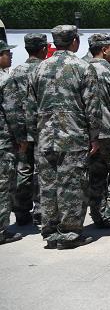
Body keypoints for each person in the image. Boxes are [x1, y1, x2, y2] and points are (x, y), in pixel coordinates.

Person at [26, 25, 99, 249]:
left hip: (45, 137)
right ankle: (69, 233)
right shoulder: (82, 67)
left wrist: (34, 134)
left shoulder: (39, 68)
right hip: (73, 136)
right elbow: (92, 107)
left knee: (48, 186)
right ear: (74, 41)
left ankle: (50, 231)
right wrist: (94, 136)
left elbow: (29, 107)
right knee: (73, 186)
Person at [2, 33, 46, 227]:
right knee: (43, 171)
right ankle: (41, 211)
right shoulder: (45, 69)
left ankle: (21, 211)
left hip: (21, 128)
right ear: (43, 48)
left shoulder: (17, 71)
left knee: (23, 170)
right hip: (41, 128)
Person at [86, 33, 110, 228]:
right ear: (104, 49)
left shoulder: (82, 68)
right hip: (109, 131)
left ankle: (97, 214)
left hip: (90, 133)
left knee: (96, 175)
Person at [0, 39, 24, 244]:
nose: (10, 56)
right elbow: (13, 113)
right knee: (3, 186)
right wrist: (21, 138)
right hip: (3, 142)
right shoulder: (5, 80)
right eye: (7, 53)